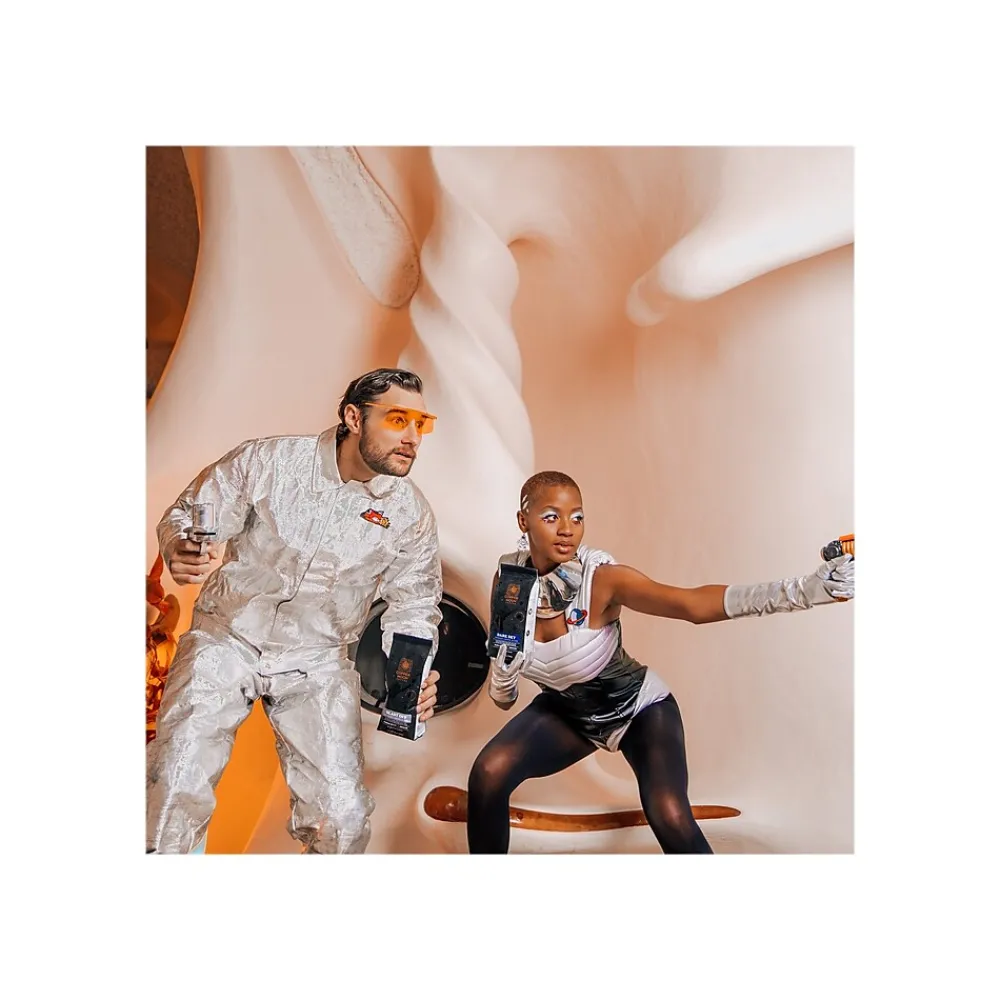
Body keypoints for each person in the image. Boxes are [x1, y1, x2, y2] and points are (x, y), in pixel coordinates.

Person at [468, 471, 854, 854]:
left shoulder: (603, 580)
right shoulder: (509, 585)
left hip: (640, 710)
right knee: (488, 773)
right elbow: (504, 700)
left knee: (668, 812)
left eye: (578, 517)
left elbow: (692, 605)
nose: (567, 529)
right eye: (552, 517)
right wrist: (503, 677)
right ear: (524, 521)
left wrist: (808, 590)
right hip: (568, 716)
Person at [147, 368, 443, 854]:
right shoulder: (269, 462)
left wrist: (414, 671)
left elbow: (415, 603)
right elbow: (190, 515)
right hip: (228, 637)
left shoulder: (409, 513)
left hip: (318, 661)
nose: (413, 437)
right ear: (354, 417)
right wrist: (180, 545)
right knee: (174, 786)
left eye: (421, 423)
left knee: (343, 821)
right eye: (397, 419)